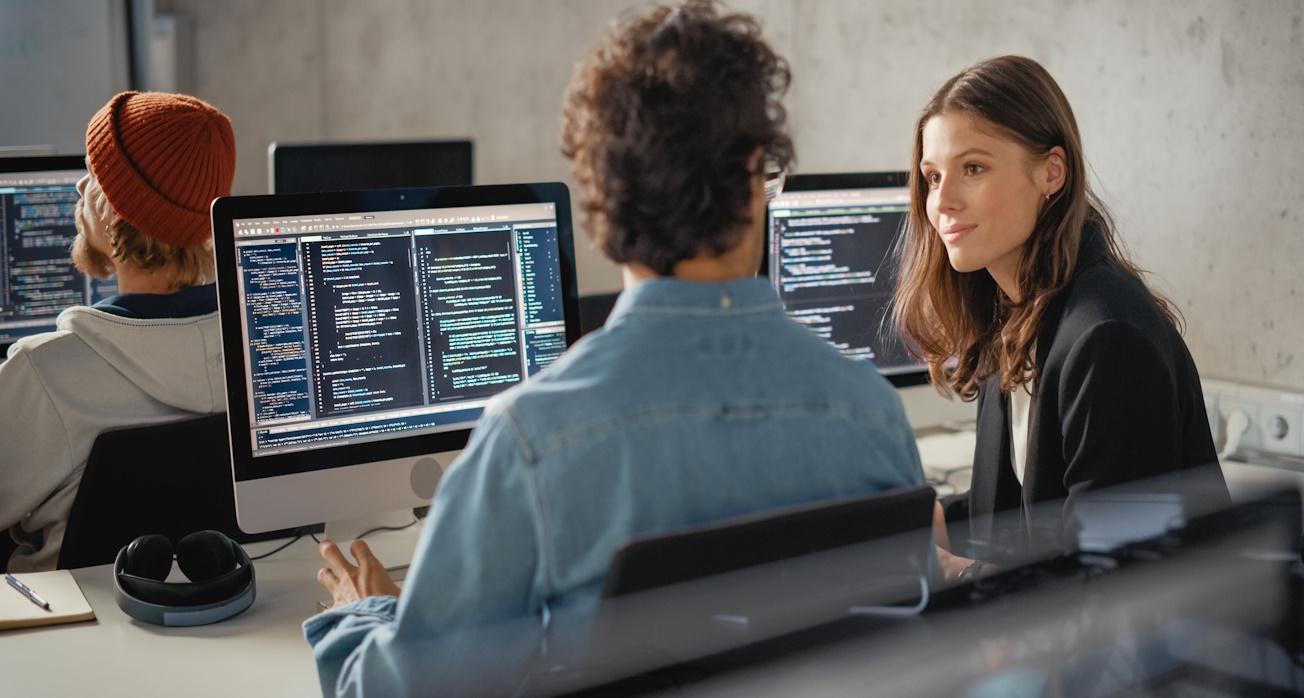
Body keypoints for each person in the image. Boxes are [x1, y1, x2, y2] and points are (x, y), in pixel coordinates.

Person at [303, 2, 924, 695]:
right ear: (756, 178)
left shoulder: (530, 443)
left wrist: (363, 618)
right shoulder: (873, 414)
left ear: (601, 201)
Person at [892, 56, 1228, 580]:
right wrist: (928, 524)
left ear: (1052, 172)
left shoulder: (1106, 340)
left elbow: (1109, 579)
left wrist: (959, 574)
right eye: (932, 177)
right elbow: (1018, 516)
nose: (943, 201)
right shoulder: (1016, 314)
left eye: (972, 168)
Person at [0, 92, 236, 572]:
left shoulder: (45, 373)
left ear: (113, 212)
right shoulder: (266, 353)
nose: (82, 186)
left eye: (94, 175)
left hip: (69, 632)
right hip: (222, 618)